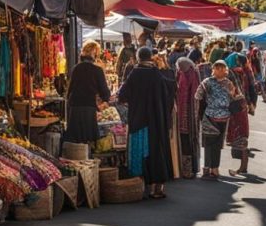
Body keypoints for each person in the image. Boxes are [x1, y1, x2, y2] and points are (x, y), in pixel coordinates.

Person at [117, 47, 174, 199]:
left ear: (138, 57)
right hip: (156, 121)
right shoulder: (157, 74)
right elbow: (169, 92)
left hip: (138, 120)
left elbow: (122, 95)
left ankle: (140, 186)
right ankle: (157, 188)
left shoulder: (135, 73)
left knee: (139, 153)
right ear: (150, 57)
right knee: (156, 151)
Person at [195, 60, 238, 180]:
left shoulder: (225, 83)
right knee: (211, 144)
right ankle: (210, 168)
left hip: (218, 117)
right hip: (213, 117)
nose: (220, 70)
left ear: (225, 70)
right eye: (218, 68)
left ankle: (212, 168)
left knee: (215, 144)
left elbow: (198, 96)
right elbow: (198, 95)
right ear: (213, 69)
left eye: (222, 68)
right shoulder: (210, 82)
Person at [64, 40, 112, 146]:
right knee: (87, 139)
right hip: (88, 106)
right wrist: (105, 100)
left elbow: (69, 90)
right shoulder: (97, 70)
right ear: (94, 54)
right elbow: (104, 91)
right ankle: (86, 158)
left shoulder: (76, 68)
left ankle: (77, 159)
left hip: (75, 106)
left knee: (75, 139)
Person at [226, 51, 257, 175]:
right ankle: (243, 166)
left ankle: (243, 167)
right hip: (241, 106)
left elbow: (234, 91)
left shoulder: (231, 73)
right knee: (242, 136)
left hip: (235, 107)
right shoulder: (243, 72)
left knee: (240, 136)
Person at [175, 56, 203, 178]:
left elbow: (195, 96)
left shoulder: (191, 75)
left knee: (187, 141)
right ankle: (185, 168)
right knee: (184, 140)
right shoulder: (183, 73)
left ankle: (188, 169)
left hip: (189, 115)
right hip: (182, 114)